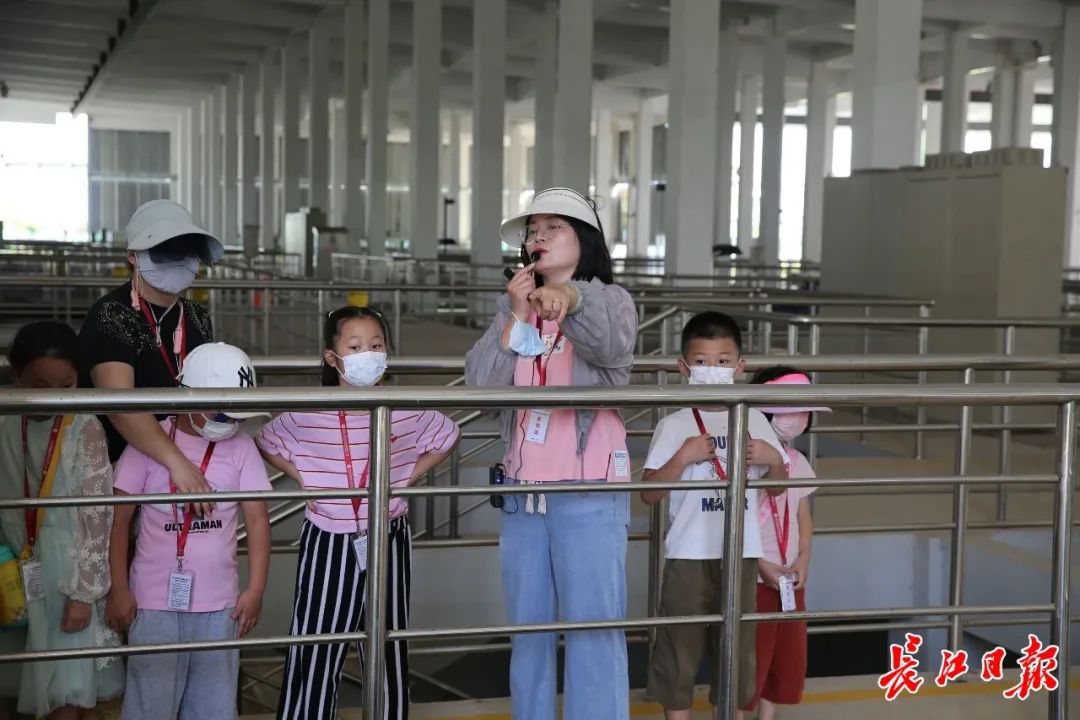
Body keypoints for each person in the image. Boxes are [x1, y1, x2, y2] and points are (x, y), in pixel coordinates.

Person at [464, 187, 639, 720]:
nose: (537, 238)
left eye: (552, 228)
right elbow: (480, 388)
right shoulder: (512, 307)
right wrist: (516, 316)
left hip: (590, 495)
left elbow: (609, 345)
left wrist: (570, 298)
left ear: (584, 239)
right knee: (529, 636)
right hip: (523, 498)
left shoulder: (612, 300)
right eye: (532, 231)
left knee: (593, 632)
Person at [257, 306, 459, 720]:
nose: (367, 354)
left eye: (376, 345)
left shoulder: (405, 408)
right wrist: (307, 478)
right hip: (328, 538)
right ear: (332, 357)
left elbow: (447, 435)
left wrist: (402, 479)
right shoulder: (309, 411)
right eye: (355, 346)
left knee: (387, 643)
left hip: (388, 534)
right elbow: (266, 440)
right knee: (317, 644)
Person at [105, 343, 271, 720]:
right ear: (189, 395)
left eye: (238, 415)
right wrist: (119, 589)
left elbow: (258, 520)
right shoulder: (148, 442)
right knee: (150, 704)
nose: (230, 422)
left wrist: (256, 589)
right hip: (152, 602)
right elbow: (118, 519)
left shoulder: (242, 447)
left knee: (214, 707)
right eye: (222, 413)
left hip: (220, 604)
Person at [640, 312, 789, 720]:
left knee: (737, 650)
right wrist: (682, 457)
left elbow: (778, 488)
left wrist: (774, 460)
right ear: (683, 367)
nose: (713, 369)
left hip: (741, 553)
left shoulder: (754, 419)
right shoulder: (674, 424)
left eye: (723, 361)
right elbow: (649, 493)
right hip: (688, 554)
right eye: (701, 361)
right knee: (679, 651)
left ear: (740, 367)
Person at [0, 321, 124, 719]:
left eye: (66, 385)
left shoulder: (85, 428)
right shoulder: (5, 420)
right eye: (39, 385)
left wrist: (83, 594)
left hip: (65, 576)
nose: (53, 395)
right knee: (18, 679)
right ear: (16, 376)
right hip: (12, 568)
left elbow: (98, 518)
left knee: (64, 689)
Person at [79, 199, 223, 515]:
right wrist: (177, 463)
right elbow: (120, 405)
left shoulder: (197, 317)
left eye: (187, 250)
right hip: (120, 469)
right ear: (133, 256)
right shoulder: (111, 315)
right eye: (164, 249)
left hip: (186, 462)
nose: (178, 259)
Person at [744, 366, 826, 720]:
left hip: (790, 578)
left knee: (783, 656)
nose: (796, 418)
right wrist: (760, 565)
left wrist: (804, 558)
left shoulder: (798, 462)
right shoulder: (745, 461)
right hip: (754, 577)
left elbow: (803, 517)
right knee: (751, 658)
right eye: (787, 409)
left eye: (802, 411)